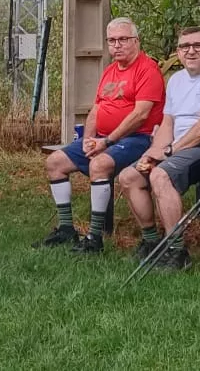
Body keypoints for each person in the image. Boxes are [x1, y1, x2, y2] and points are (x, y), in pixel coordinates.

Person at [37, 17, 165, 254]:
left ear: (136, 41)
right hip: (103, 138)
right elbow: (96, 109)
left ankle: (94, 237)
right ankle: (66, 228)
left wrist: (106, 142)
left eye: (123, 39)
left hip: (138, 138)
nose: (117, 45)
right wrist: (88, 140)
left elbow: (140, 114)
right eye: (112, 40)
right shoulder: (109, 72)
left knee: (99, 165)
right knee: (55, 162)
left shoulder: (148, 69)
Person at [118, 26, 200, 271]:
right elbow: (168, 123)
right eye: (185, 46)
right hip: (179, 146)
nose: (191, 51)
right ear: (178, 52)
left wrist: (168, 152)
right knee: (129, 176)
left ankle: (177, 251)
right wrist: (152, 152)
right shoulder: (175, 80)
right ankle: (151, 242)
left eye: (198, 46)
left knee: (160, 175)